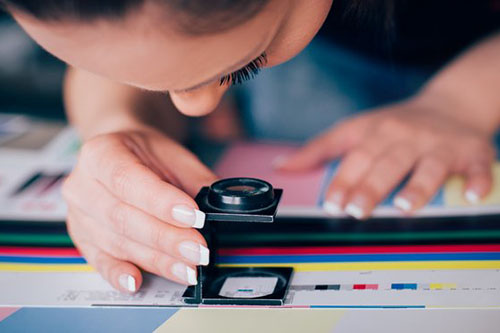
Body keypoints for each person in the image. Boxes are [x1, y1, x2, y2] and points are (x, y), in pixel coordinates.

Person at [2, 0, 500, 293]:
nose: (194, 108)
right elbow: (117, 41)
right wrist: (118, 119)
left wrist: (462, 102)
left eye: (239, 68)